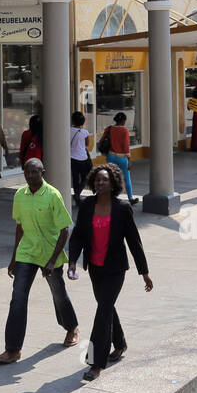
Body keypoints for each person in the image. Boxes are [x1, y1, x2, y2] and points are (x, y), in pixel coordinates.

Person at [67, 163, 153, 381]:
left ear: (113, 182)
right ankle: (121, 343)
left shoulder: (122, 209)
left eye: (105, 179)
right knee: (107, 308)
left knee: (103, 311)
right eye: (97, 179)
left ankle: (96, 362)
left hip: (115, 269)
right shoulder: (87, 205)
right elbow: (77, 235)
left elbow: (134, 241)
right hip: (95, 267)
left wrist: (144, 271)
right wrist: (72, 262)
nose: (101, 182)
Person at [0, 158, 79, 365]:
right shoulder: (19, 196)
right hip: (27, 253)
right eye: (27, 172)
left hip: (50, 253)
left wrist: (51, 261)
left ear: (43, 172)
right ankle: (12, 349)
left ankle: (71, 327)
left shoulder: (53, 195)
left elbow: (64, 230)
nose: (30, 175)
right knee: (18, 299)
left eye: (34, 172)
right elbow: (20, 227)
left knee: (59, 294)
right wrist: (14, 258)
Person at [99, 112, 135, 203]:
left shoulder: (109, 129)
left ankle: (109, 196)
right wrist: (129, 160)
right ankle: (130, 198)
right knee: (126, 177)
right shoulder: (124, 130)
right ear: (123, 121)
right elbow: (126, 146)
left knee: (110, 177)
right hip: (122, 158)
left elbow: (101, 141)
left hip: (110, 156)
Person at [68, 111, 91, 206]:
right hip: (83, 158)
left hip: (72, 157)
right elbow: (87, 144)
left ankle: (77, 197)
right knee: (85, 177)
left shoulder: (68, 130)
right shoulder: (85, 132)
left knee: (75, 178)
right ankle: (77, 194)